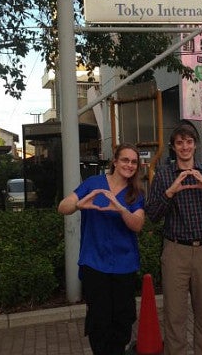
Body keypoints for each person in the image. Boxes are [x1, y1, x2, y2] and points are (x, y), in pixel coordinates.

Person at [146, 122, 202, 355]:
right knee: (174, 315)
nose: (184, 147)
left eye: (188, 142)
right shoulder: (164, 176)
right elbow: (153, 215)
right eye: (179, 143)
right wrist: (171, 191)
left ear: (195, 145)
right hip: (175, 250)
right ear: (173, 147)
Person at [58, 143, 145, 355]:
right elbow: (63, 207)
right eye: (125, 160)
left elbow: (137, 225)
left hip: (124, 266)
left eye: (134, 162)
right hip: (94, 264)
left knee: (122, 320)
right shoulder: (93, 184)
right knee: (99, 321)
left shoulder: (135, 193)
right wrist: (79, 204)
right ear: (114, 161)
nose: (129, 165)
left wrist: (121, 208)